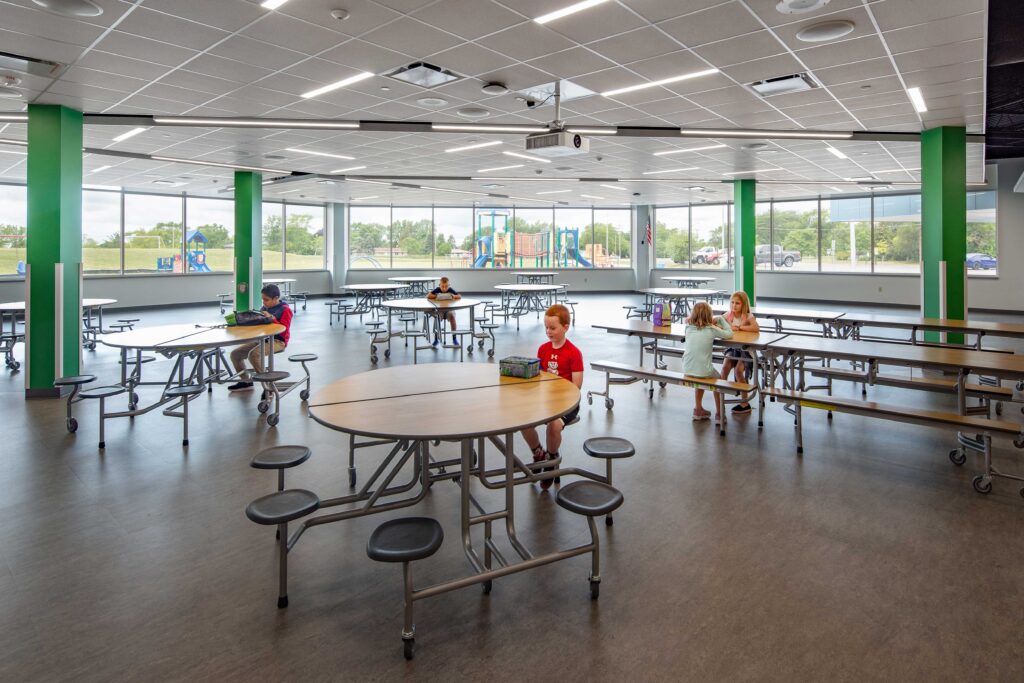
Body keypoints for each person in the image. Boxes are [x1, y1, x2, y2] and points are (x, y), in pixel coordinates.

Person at [522, 304, 583, 491]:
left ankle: (551, 458)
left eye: (553, 328)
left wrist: (558, 398)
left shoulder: (574, 353)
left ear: (566, 327)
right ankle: (537, 453)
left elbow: (576, 386)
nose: (548, 331)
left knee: (554, 425)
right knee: (523, 420)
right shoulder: (543, 349)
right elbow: (539, 377)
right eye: (546, 327)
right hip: (545, 400)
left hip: (567, 403)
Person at [228, 284, 293, 391]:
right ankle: (246, 381)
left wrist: (271, 318)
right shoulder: (264, 308)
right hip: (263, 339)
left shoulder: (285, 310)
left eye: (266, 300)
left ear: (276, 298)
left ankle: (268, 387)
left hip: (278, 341)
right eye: (262, 299)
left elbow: (284, 329)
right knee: (235, 354)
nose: (263, 302)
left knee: (254, 355)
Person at [682, 301, 732, 424]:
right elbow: (729, 334)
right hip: (704, 371)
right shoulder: (712, 329)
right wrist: (720, 319)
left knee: (700, 376)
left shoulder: (688, 328)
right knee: (718, 380)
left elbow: (690, 322)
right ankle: (720, 414)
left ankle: (698, 410)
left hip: (687, 369)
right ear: (709, 315)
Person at [720, 291, 760, 415]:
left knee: (738, 371)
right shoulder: (728, 315)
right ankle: (720, 399)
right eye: (732, 302)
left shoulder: (748, 316)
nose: (734, 305)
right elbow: (718, 322)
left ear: (743, 305)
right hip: (733, 349)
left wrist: (740, 327)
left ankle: (745, 402)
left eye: (737, 303)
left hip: (746, 351)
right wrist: (727, 327)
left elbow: (756, 328)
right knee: (725, 368)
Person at [426, 276, 461, 346]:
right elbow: (428, 295)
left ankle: (454, 338)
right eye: (442, 286)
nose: (444, 288)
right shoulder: (437, 290)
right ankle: (436, 338)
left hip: (449, 310)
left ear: (449, 285)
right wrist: (437, 296)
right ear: (439, 285)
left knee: (453, 317)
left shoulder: (450, 290)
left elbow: (459, 296)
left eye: (446, 286)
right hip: (440, 310)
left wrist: (454, 296)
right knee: (437, 318)